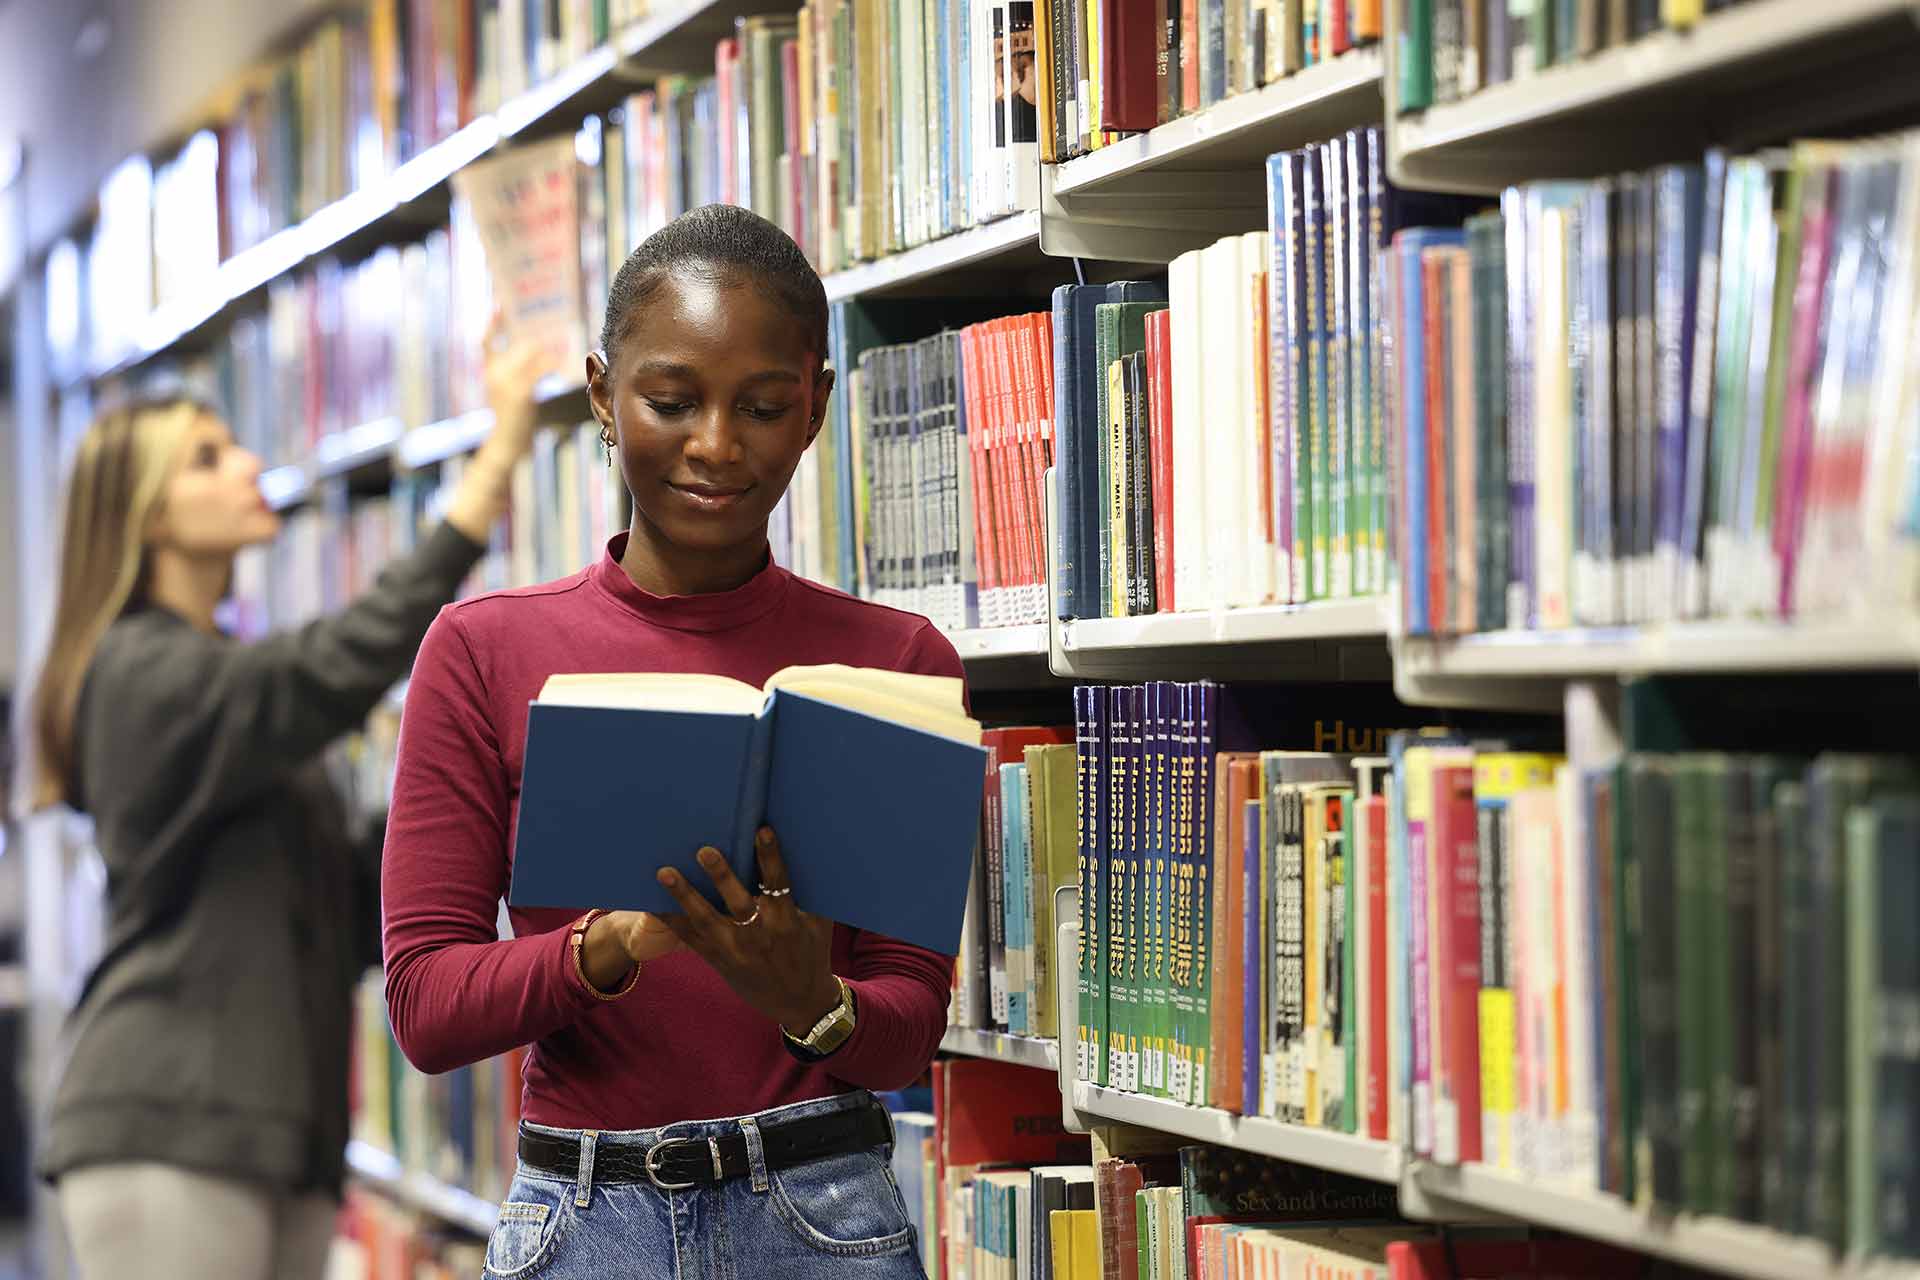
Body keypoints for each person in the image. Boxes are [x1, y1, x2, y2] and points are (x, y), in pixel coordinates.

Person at [381, 203, 962, 1278]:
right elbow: (424, 1002)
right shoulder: (483, 650)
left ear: (818, 406)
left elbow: (910, 1020)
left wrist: (813, 1002)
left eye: (763, 406)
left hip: (822, 1212)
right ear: (604, 393)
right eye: (671, 399)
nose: (715, 445)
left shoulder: (899, 664)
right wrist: (610, 945)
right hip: (584, 1213)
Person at [29, 338, 555, 1280]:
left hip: (279, 1130)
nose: (245, 464)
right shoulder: (140, 676)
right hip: (172, 1121)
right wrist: (490, 476)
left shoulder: (222, 692)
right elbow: (333, 667)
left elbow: (355, 907)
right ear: (148, 513)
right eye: (206, 456)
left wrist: (501, 770)